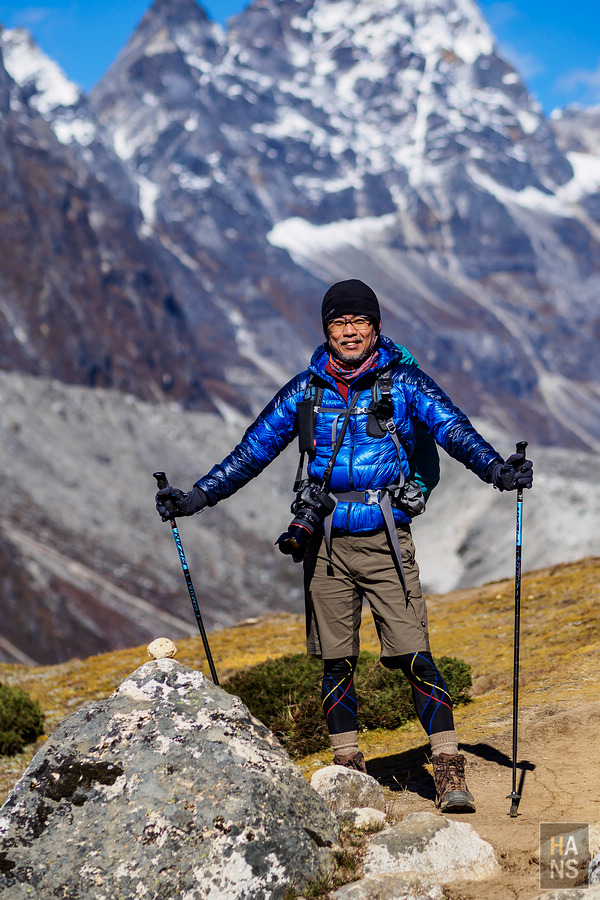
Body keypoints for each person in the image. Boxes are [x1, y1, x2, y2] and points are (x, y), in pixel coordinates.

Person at [155, 278, 533, 813]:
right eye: (339, 323)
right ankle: (349, 773)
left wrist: (498, 469)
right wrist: (195, 498)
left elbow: (452, 429)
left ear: (377, 327)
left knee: (415, 655)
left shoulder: (404, 383)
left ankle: (448, 768)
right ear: (326, 330)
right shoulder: (305, 391)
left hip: (385, 537)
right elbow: (252, 450)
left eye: (359, 322)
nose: (350, 331)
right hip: (325, 541)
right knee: (337, 661)